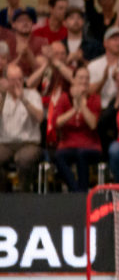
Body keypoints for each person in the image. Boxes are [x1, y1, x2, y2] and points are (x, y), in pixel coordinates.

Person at [50, 67, 101, 191]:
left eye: (87, 78)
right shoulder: (64, 98)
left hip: (90, 145)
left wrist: (81, 104)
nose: (84, 81)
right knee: (58, 156)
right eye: (81, 78)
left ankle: (81, 192)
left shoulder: (94, 98)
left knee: (81, 154)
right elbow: (57, 123)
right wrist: (74, 108)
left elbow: (93, 124)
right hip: (67, 145)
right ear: (74, 80)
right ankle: (77, 192)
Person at [0, 61, 45, 191]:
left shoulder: (32, 94)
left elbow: (39, 118)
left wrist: (23, 99)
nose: (17, 82)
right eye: (13, 79)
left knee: (23, 159)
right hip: (5, 143)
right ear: (4, 80)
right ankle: (3, 195)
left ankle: (23, 194)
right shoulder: (1, 96)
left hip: (29, 143)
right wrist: (2, 96)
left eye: (20, 78)